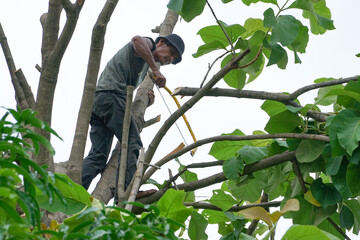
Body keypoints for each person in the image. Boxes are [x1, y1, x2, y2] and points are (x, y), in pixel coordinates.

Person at [81, 34, 185, 199]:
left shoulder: (144, 64)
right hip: (111, 97)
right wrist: (156, 69)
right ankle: (127, 193)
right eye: (170, 52)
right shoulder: (149, 44)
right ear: (161, 42)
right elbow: (136, 40)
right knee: (132, 142)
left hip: (101, 102)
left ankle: (70, 193)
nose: (169, 59)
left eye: (172, 59)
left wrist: (147, 103)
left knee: (98, 157)